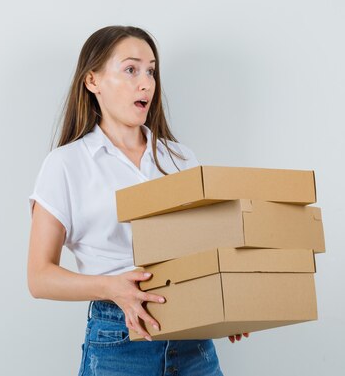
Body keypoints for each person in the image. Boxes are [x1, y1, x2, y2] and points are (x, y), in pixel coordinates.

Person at [27, 25, 247, 376]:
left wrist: (226, 301)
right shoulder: (66, 165)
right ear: (92, 81)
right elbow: (39, 277)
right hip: (119, 341)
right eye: (131, 69)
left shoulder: (179, 158)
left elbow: (206, 248)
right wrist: (111, 287)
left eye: (151, 71)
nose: (145, 82)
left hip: (194, 341)